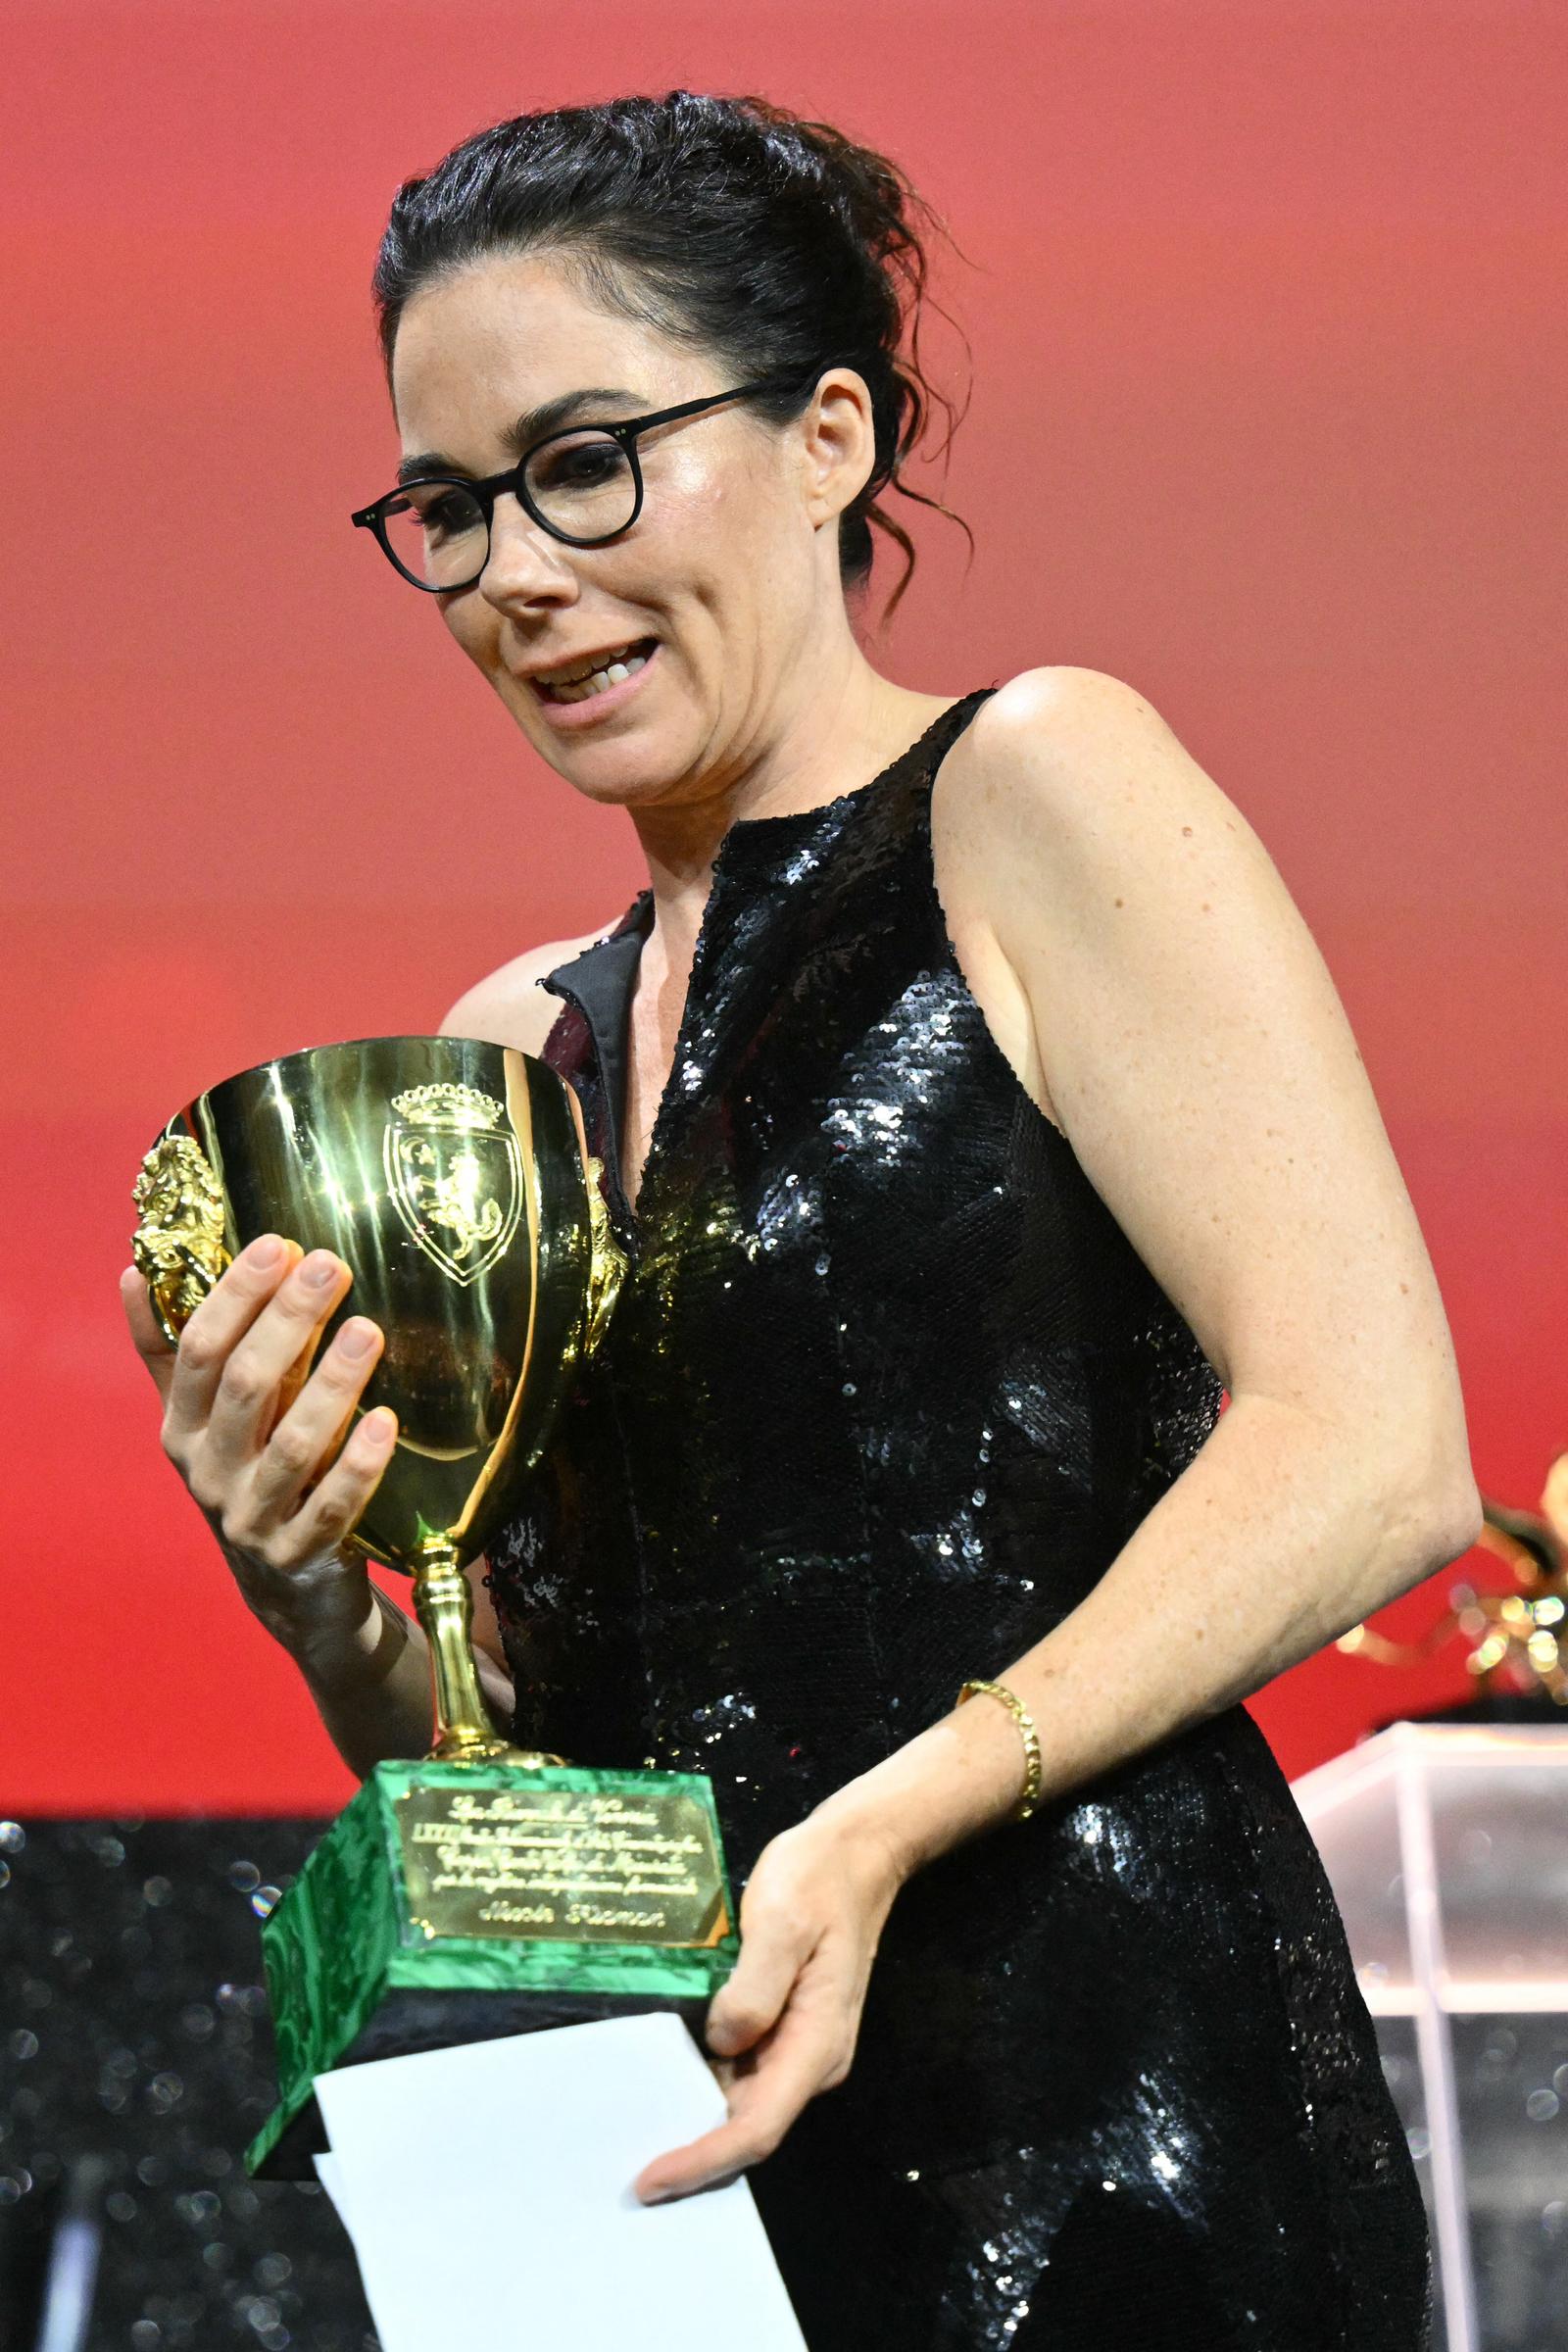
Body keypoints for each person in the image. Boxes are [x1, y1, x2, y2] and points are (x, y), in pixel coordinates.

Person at [122, 90, 1479, 2349]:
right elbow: (542, 1771)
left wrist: (880, 1822)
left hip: (1094, 2119)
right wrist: (308, 1594)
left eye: (584, 461)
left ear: (828, 433)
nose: (514, 574)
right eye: (446, 509)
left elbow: (1368, 1447)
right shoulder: (505, 1061)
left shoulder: (1032, 785)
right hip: (674, 2186)